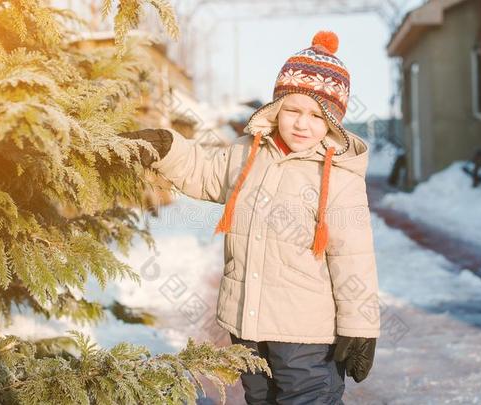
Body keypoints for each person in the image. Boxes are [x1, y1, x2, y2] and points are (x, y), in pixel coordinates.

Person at [120, 30, 380, 404]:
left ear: (333, 122)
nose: (302, 124)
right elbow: (204, 171)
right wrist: (166, 147)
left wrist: (361, 326)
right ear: (276, 109)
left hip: (306, 336)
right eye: (292, 110)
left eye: (316, 115)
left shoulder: (339, 176)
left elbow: (353, 258)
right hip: (247, 325)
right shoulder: (248, 152)